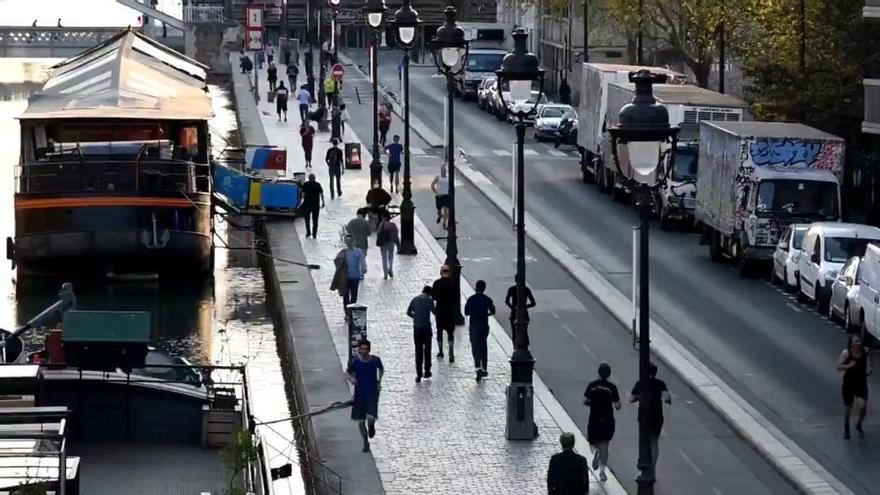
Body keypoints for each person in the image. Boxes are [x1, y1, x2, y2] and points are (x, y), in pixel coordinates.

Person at [629, 363, 671, 475]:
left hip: (644, 416)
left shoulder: (640, 383)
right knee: (654, 442)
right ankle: (653, 468)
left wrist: (641, 396)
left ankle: (643, 465)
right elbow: (667, 397)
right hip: (657, 416)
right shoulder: (660, 383)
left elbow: (631, 399)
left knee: (644, 441)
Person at [584, 363, 621, 482]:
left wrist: (592, 403)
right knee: (605, 443)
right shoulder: (612, 387)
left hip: (594, 417)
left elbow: (585, 401)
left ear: (598, 373)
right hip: (607, 418)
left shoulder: (592, 386)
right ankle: (602, 471)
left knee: (593, 441)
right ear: (609, 374)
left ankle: (597, 452)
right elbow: (617, 405)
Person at [346, 340, 384, 453]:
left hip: (372, 392)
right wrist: (352, 379)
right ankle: (365, 442)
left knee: (371, 416)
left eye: (366, 349)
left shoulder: (375, 360)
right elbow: (347, 373)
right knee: (361, 421)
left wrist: (379, 381)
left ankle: (371, 426)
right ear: (359, 350)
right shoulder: (356, 362)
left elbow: (381, 369)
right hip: (359, 394)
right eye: (362, 349)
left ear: (369, 350)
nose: (364, 351)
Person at [838, 334, 871, 439]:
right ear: (851, 344)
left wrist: (869, 368)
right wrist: (848, 366)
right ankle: (846, 428)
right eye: (856, 341)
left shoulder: (864, 352)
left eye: (859, 341)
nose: (858, 343)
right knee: (849, 407)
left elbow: (868, 361)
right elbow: (838, 366)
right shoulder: (846, 353)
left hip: (861, 383)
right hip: (849, 383)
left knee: (863, 406)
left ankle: (859, 423)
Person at [464, 280, 495, 382]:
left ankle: (477, 366)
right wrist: (487, 314)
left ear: (476, 287)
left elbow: (466, 312)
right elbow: (493, 311)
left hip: (474, 324)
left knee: (475, 345)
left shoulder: (471, 299)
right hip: (484, 324)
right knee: (483, 346)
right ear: (484, 288)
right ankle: (484, 367)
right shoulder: (487, 299)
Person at [407, 286, 435, 382]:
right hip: (426, 328)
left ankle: (418, 374)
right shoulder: (429, 300)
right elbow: (434, 312)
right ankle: (427, 371)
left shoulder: (415, 299)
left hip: (417, 329)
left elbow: (408, 312)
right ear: (429, 293)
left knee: (418, 351)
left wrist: (415, 317)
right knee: (427, 350)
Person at [432, 265, 457, 362]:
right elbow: (455, 298)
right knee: (450, 333)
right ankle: (451, 352)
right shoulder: (453, 284)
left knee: (439, 331)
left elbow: (433, 297)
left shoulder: (437, 283)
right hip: (450, 311)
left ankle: (441, 351)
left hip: (440, 310)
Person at [334, 234, 365, 307]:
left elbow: (362, 262)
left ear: (353, 241)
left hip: (355, 276)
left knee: (354, 295)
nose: (348, 243)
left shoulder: (358, 252)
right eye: (347, 241)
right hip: (345, 277)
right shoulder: (343, 252)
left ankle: (351, 310)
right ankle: (347, 312)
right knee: (346, 296)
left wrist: (363, 269)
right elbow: (336, 261)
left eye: (350, 241)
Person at [505, 274, 537, 346]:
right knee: (524, 332)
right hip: (524, 313)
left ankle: (515, 347)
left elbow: (507, 301)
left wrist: (512, 307)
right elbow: (533, 303)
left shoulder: (512, 289)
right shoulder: (526, 289)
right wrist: (525, 307)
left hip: (514, 313)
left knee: (514, 333)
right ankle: (525, 347)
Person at [299, 173, 324, 238]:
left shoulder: (305, 185)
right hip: (315, 205)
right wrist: (323, 202)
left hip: (307, 205)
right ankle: (314, 234)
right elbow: (321, 194)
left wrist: (301, 202)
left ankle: (308, 232)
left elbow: (302, 194)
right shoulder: (318, 185)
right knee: (315, 220)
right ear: (314, 178)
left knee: (307, 219)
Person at [376, 213, 399, 279]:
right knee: (391, 257)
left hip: (383, 244)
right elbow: (396, 235)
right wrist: (397, 244)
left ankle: (385, 274)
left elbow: (378, 233)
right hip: (391, 243)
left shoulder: (381, 224)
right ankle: (390, 269)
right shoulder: (393, 225)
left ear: (384, 218)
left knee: (384, 258)